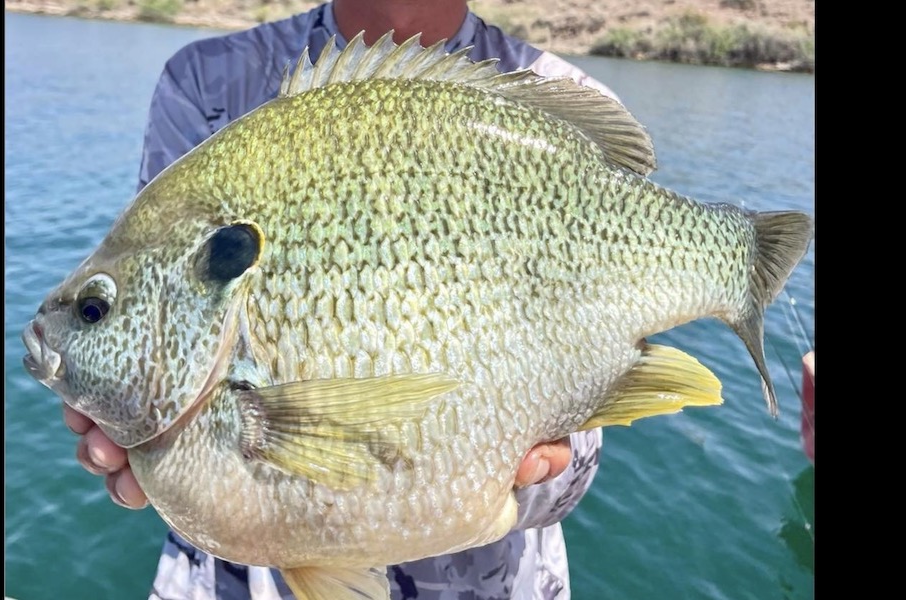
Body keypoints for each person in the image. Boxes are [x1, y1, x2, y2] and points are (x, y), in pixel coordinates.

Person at [66, 0, 621, 597]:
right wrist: (155, 438)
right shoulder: (204, 84)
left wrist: (539, 467)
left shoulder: (567, 104)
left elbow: (574, 473)